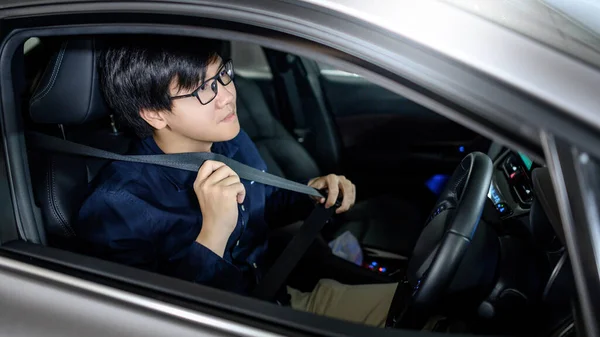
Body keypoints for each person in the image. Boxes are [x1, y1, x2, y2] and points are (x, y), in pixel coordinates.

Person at [76, 36, 396, 327]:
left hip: (280, 302)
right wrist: (213, 233)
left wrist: (311, 191)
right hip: (229, 323)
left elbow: (266, 203)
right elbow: (157, 323)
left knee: (418, 307)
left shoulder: (230, 142)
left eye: (223, 75)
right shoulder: (117, 204)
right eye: (203, 89)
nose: (227, 96)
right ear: (155, 114)